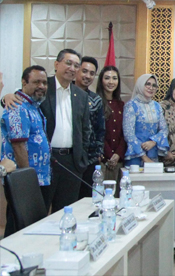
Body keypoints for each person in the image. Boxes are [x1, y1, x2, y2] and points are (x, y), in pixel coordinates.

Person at [3, 49, 92, 213]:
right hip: (46, 161)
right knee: (36, 211)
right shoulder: (42, 85)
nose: (72, 68)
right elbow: (20, 99)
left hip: (72, 163)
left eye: (76, 65)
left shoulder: (81, 95)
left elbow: (85, 130)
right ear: (56, 64)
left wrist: (82, 156)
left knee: (66, 211)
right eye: (68, 63)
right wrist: (6, 97)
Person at [1, 66, 51, 209]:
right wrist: (27, 181)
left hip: (39, 177)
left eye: (44, 83)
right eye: (36, 82)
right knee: (19, 223)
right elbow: (18, 146)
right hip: (23, 179)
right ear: (24, 83)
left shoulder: (33, 106)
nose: (41, 86)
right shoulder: (17, 106)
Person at [74, 57, 106, 199]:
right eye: (84, 71)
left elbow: (100, 129)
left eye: (92, 73)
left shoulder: (95, 99)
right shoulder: (64, 94)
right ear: (77, 71)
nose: (87, 76)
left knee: (86, 198)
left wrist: (98, 151)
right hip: (69, 156)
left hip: (90, 158)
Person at [123, 74, 169, 167]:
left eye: (154, 85)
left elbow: (164, 129)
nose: (151, 88)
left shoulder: (157, 106)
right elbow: (129, 135)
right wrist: (144, 157)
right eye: (147, 84)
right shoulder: (131, 106)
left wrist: (154, 141)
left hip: (153, 155)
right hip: (135, 157)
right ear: (140, 85)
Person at [96, 66, 126, 194]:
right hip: (103, 160)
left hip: (119, 161)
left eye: (114, 78)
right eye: (107, 78)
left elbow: (125, 133)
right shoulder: (96, 102)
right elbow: (96, 132)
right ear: (101, 81)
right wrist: (109, 155)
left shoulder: (121, 105)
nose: (111, 82)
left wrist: (118, 154)